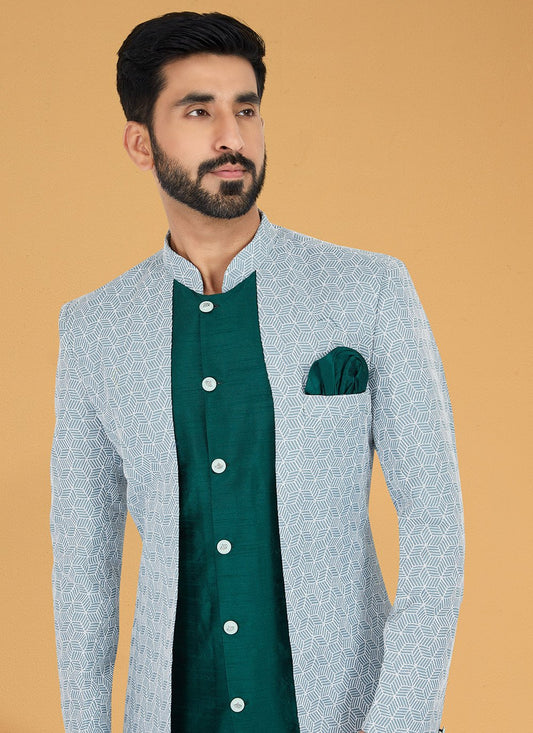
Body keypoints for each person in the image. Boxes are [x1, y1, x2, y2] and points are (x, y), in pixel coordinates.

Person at [50, 11, 464, 733]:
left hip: (342, 713)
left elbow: (436, 528)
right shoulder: (95, 330)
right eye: (198, 111)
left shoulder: (366, 290)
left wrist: (398, 720)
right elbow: (83, 566)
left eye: (245, 109)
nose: (231, 137)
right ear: (141, 143)